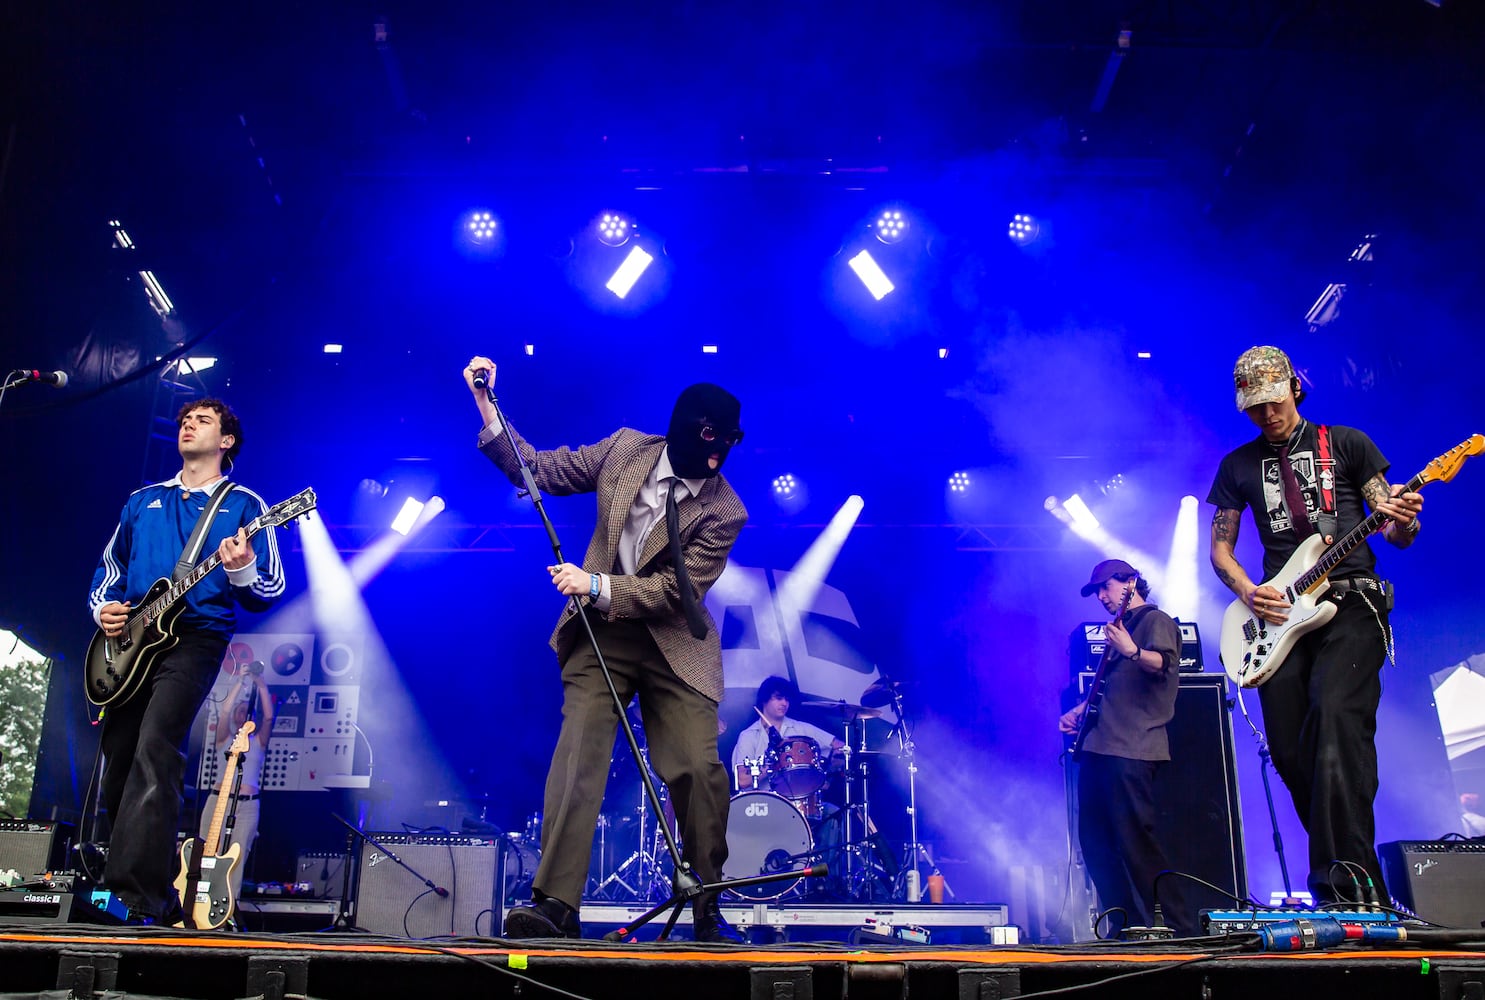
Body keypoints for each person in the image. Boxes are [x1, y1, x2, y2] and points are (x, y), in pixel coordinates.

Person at [463, 356, 748, 942]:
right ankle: (554, 904)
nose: (714, 464)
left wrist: (595, 583)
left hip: (674, 644)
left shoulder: (725, 509)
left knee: (697, 766)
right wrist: (487, 404)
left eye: (724, 452)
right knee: (580, 752)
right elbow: (539, 470)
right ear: (681, 431)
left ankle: (706, 901)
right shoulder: (625, 449)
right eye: (707, 447)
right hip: (601, 633)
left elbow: (677, 593)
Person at [1207, 346, 1422, 905]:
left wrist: (1404, 520)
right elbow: (1220, 550)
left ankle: (1343, 883)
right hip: (1282, 611)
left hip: (1352, 603)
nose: (1267, 415)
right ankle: (1353, 875)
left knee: (1334, 716)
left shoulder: (1347, 443)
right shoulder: (1237, 466)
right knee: (1287, 746)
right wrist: (1248, 590)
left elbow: (1396, 533)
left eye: (1273, 403)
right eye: (1254, 408)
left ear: (1294, 389)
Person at [89, 398, 285, 924]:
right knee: (121, 756)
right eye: (183, 419)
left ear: (226, 442)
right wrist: (103, 608)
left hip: (196, 636)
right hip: (130, 645)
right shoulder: (142, 500)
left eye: (203, 420)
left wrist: (241, 569)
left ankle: (132, 893)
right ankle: (157, 891)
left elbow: (269, 586)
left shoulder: (245, 504)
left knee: (157, 744)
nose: (187, 424)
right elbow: (111, 569)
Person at [1059, 559, 1196, 937]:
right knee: (1096, 843)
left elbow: (1164, 664)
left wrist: (1133, 650)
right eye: (1098, 591)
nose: (1102, 596)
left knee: (1138, 843)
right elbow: (1113, 684)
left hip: (1133, 748)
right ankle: (1126, 927)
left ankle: (1182, 928)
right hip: (1101, 748)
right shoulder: (1121, 628)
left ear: (1131, 582)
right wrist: (1082, 709)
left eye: (1107, 587)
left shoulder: (1155, 620)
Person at [197, 664, 275, 905]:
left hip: (247, 806)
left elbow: (269, 716)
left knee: (237, 857)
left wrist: (261, 686)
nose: (242, 714)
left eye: (246, 711)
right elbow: (224, 711)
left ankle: (227, 907)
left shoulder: (258, 741)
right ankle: (199, 901)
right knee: (209, 852)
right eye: (240, 711)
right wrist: (240, 682)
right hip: (218, 800)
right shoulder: (225, 739)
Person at [730, 676, 844, 787]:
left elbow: (840, 746)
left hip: (798, 801)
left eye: (787, 699)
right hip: (762, 802)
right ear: (764, 700)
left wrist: (829, 774)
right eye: (779, 698)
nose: (784, 703)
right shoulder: (748, 736)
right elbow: (742, 780)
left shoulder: (802, 729)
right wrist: (775, 765)